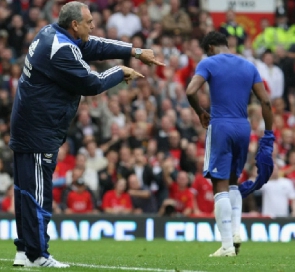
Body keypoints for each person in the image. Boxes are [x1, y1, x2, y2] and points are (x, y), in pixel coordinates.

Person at [9, 1, 164, 268]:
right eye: (89, 22)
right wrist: (120, 70)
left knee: (25, 190)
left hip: (28, 126)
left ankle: (24, 250)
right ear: (75, 25)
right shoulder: (62, 49)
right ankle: (38, 255)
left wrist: (134, 51)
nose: (93, 26)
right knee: (37, 193)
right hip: (38, 131)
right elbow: (91, 84)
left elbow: (95, 46)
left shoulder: (51, 33)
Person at [186, 31, 274, 257]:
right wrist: (270, 132)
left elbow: (190, 91)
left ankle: (226, 246)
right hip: (243, 128)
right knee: (234, 182)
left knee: (220, 185)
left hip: (221, 125)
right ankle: (236, 231)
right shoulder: (249, 66)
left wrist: (200, 112)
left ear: (211, 47)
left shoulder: (209, 62)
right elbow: (265, 100)